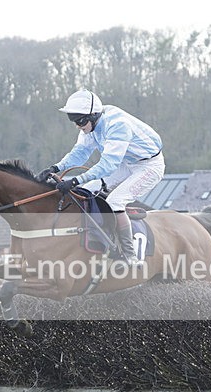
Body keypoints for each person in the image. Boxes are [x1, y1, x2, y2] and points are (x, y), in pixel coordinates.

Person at [35, 89, 164, 266]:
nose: (78, 126)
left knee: (115, 201)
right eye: (74, 122)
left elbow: (108, 165)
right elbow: (79, 154)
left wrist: (75, 180)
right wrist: (55, 167)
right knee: (85, 191)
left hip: (149, 166)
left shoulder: (118, 125)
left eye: (80, 122)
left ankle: (129, 255)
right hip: (126, 164)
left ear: (94, 115)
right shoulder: (91, 125)